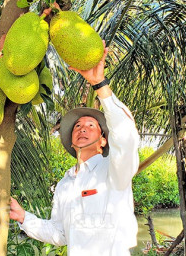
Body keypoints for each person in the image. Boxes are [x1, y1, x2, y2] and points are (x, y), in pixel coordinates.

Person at [9, 46, 140, 255]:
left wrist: (100, 84)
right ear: (71, 143)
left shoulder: (114, 170)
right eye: (78, 126)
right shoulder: (64, 184)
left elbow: (125, 134)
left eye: (91, 126)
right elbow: (59, 233)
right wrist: (24, 218)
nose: (82, 129)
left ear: (103, 141)